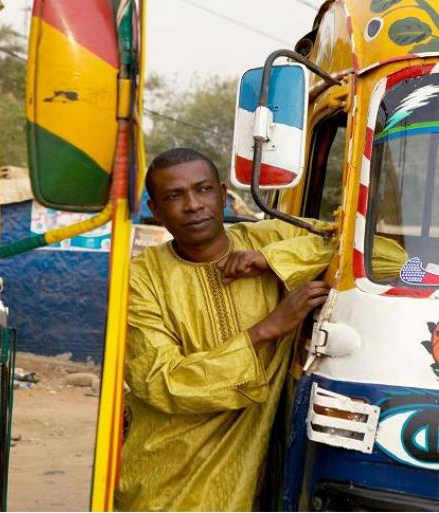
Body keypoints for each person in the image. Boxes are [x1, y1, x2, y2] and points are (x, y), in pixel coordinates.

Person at [116, 148, 335, 511]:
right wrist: (266, 330)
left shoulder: (270, 240)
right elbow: (160, 382)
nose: (192, 205)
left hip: (257, 469)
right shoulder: (141, 279)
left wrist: (273, 260)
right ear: (155, 210)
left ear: (221, 193)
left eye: (202, 190)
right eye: (174, 196)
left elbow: (384, 254)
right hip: (166, 479)